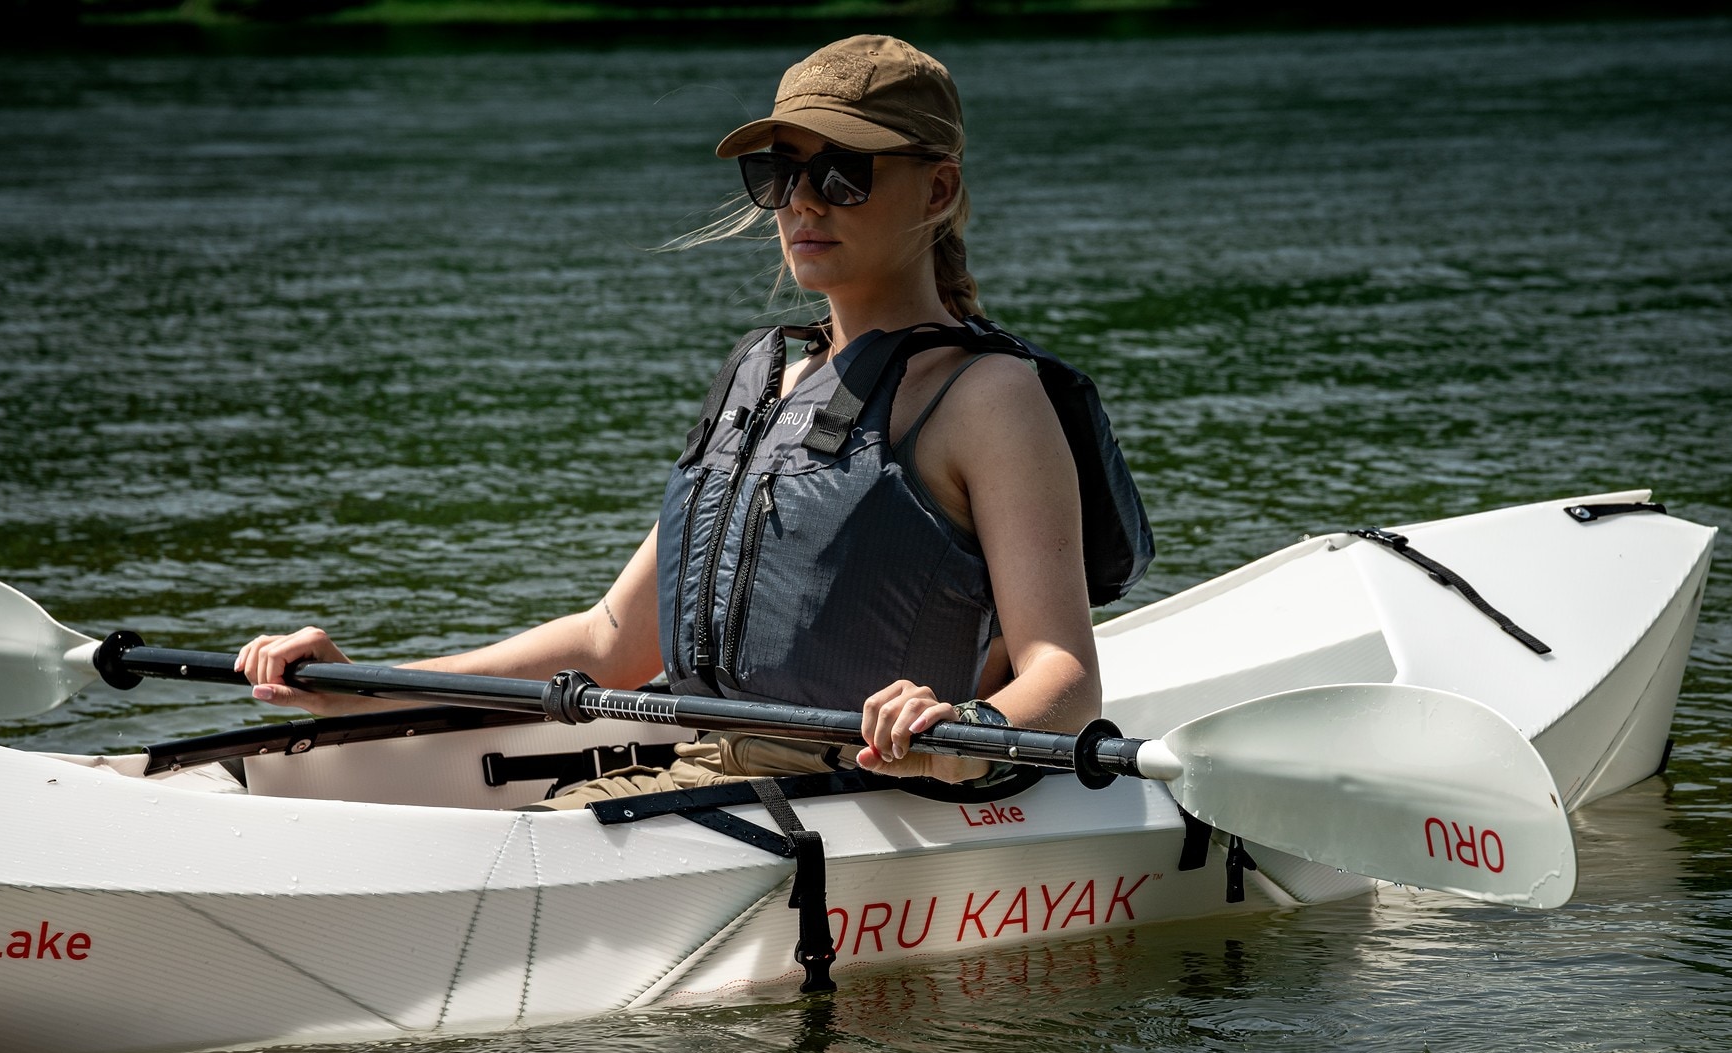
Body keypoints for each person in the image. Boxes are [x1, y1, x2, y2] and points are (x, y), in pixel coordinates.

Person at [236, 34, 1149, 805]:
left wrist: (965, 730)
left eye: (842, 174)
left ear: (939, 191)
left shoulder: (988, 397)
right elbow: (610, 642)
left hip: (872, 794)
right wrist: (360, 685)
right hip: (702, 778)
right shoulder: (766, 378)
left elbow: (1065, 676)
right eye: (780, 173)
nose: (801, 202)